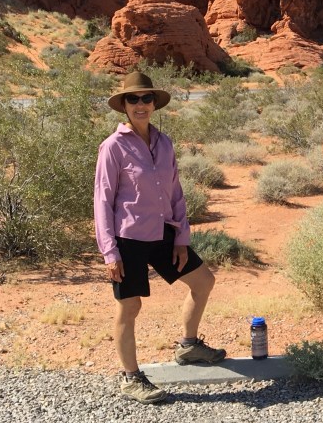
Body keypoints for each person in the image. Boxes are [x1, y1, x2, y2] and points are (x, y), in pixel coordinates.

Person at [94, 71, 226, 404]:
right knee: (130, 306)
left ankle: (189, 346)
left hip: (163, 231)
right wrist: (110, 252)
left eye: (146, 98)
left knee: (203, 281)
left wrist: (182, 237)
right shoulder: (113, 147)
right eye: (133, 99)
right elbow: (102, 201)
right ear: (124, 105)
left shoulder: (164, 143)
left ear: (154, 103)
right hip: (128, 238)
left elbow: (176, 192)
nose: (140, 104)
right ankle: (131, 377)